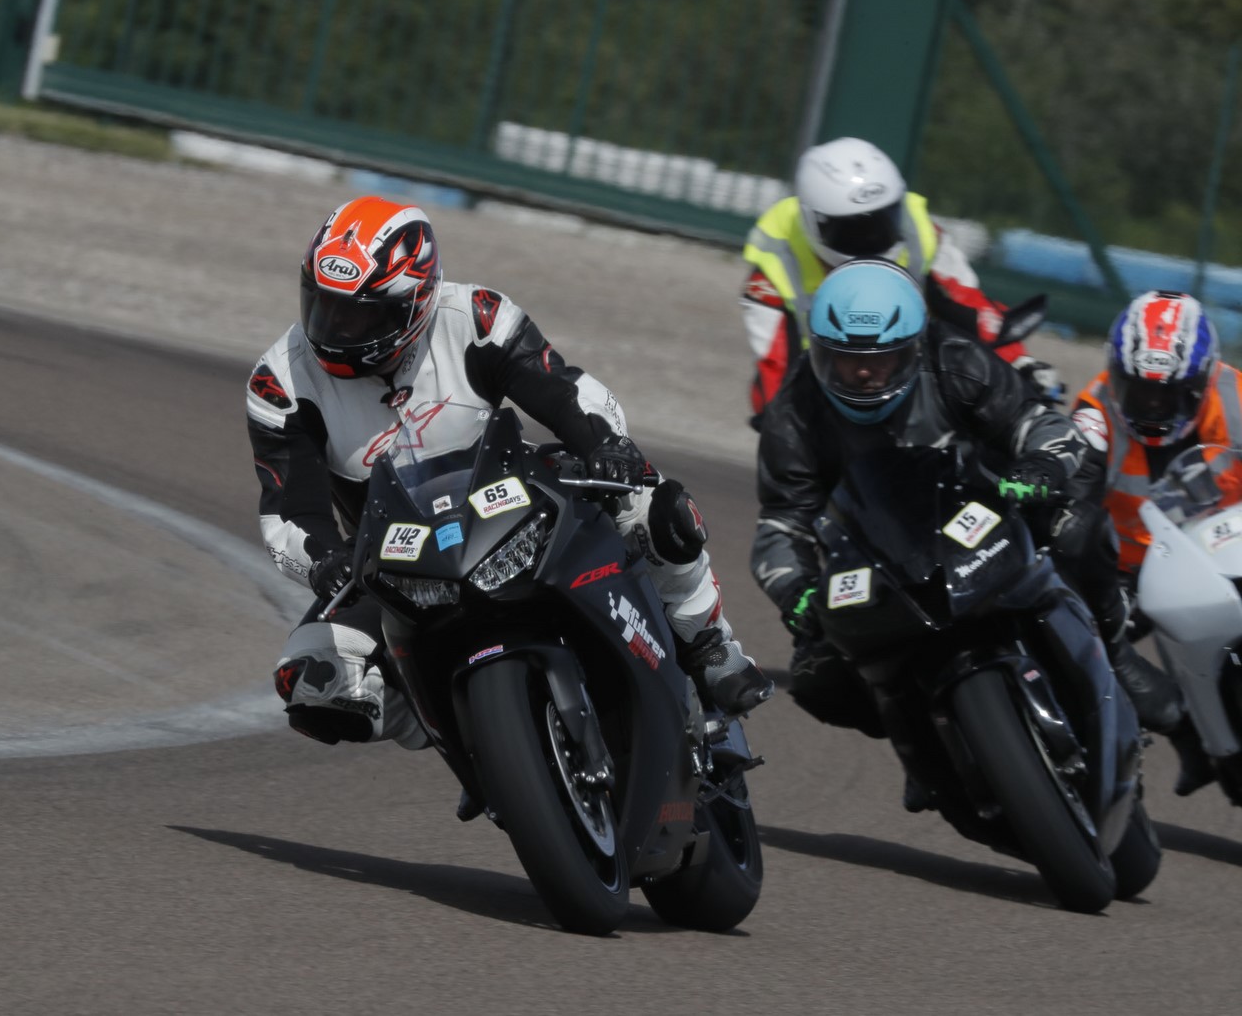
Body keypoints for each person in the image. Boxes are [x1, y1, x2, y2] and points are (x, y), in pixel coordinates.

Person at [246, 196, 772, 781]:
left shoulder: (476, 316)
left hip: (515, 504)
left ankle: (710, 646)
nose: (335, 331)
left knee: (656, 505)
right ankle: (475, 738)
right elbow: (288, 512)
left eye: (359, 317)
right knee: (310, 679)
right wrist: (324, 560)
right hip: (394, 560)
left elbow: (565, 390)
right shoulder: (281, 382)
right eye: (323, 306)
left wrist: (607, 444)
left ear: (416, 301)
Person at [750, 257, 1124, 811]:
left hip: (991, 507)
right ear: (821, 352)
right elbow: (781, 525)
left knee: (1079, 529)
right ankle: (924, 739)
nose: (863, 374)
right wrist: (796, 592)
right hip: (882, 557)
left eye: (880, 359)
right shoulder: (793, 415)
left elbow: (1038, 422)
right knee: (818, 676)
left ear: (914, 348)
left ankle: (1112, 651)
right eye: (846, 359)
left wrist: (1041, 466)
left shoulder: (954, 358)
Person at [739, 136, 1059, 425]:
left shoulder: (919, 230)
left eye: (883, 221)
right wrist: (781, 422)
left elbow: (970, 305)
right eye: (853, 230)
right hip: (829, 394)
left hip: (918, 377)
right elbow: (775, 367)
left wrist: (1020, 363)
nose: (871, 239)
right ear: (813, 222)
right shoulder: (775, 260)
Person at [1067, 290, 1237, 795]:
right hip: (1132, 568)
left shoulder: (1237, 398)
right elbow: (1073, 492)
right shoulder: (1094, 412)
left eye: (1169, 394)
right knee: (1079, 644)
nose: (1153, 405)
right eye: (1139, 391)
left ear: (1202, 380)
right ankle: (1186, 732)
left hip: (1226, 546)